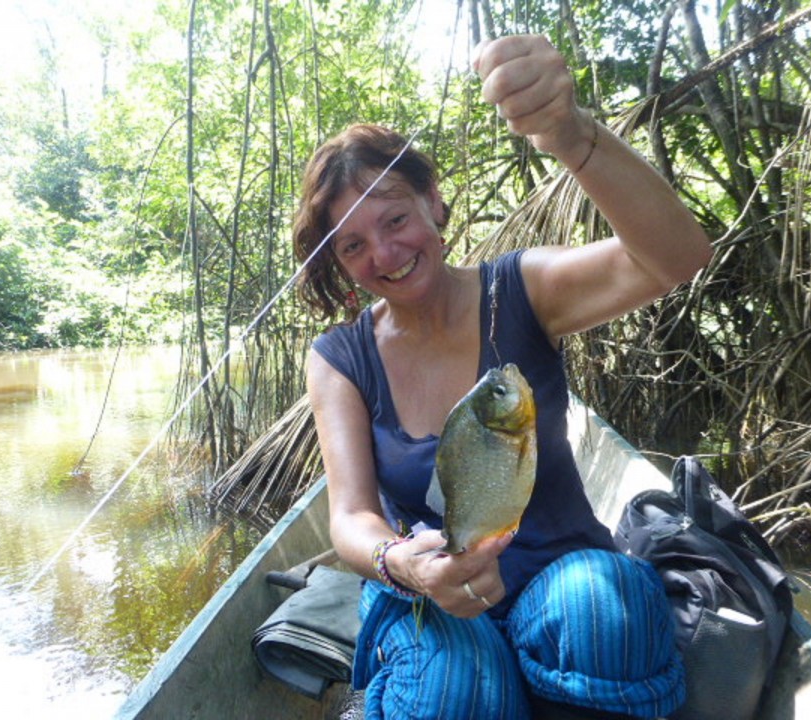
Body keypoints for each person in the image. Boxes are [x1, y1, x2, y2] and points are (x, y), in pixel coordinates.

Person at [293, 34, 713, 720]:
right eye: (354, 245)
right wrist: (407, 566)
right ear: (340, 265)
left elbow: (677, 255)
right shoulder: (341, 357)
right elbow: (352, 518)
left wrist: (570, 134)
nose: (386, 253)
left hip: (561, 575)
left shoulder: (519, 291)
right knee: (453, 690)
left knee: (604, 614)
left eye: (395, 219)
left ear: (433, 202)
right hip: (432, 591)